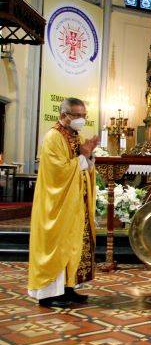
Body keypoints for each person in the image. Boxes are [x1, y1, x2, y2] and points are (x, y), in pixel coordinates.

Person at [28, 98, 99, 308]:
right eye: (76, 115)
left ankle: (68, 288)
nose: (81, 119)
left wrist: (90, 156)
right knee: (56, 246)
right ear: (63, 115)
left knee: (72, 245)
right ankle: (48, 294)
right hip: (56, 204)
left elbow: (84, 167)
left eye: (84, 115)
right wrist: (83, 157)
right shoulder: (53, 137)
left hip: (74, 204)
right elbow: (57, 172)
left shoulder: (77, 136)